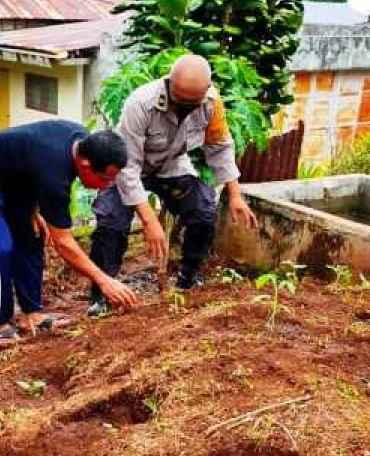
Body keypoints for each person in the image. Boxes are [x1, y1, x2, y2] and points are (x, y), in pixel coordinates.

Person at [88, 54, 259, 312]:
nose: (186, 108)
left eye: (194, 103)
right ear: (169, 83)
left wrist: (235, 194)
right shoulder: (141, 104)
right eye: (181, 101)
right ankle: (102, 294)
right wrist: (148, 220)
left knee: (204, 210)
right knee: (111, 221)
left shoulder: (212, 103)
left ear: (205, 92)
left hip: (171, 167)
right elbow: (128, 166)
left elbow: (220, 147)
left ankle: (189, 278)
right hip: (128, 168)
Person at [0, 120, 139, 348]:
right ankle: (0, 323)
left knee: (32, 235)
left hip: (15, 180)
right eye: (104, 179)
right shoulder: (54, 172)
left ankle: (32, 313)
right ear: (84, 163)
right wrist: (104, 281)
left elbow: (29, 161)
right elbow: (63, 243)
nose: (105, 186)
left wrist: (32, 210)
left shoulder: (81, 142)